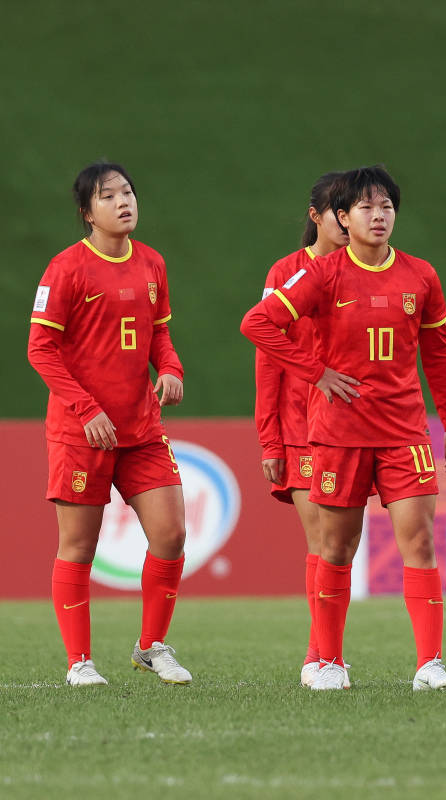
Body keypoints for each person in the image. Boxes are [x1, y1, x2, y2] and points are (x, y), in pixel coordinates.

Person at [241, 165, 446, 692]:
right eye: (366, 207)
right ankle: (328, 662)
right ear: (342, 217)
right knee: (336, 549)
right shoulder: (322, 273)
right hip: (338, 433)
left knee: (421, 542)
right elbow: (258, 323)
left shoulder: (421, 276)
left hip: (405, 431)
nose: (378, 215)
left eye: (386, 206)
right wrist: (315, 372)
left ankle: (430, 664)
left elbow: (438, 350)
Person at [28, 162, 192, 686]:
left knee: (171, 533)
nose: (123, 202)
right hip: (82, 432)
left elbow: (159, 334)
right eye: (108, 196)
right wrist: (86, 408)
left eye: (128, 192)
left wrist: (170, 368)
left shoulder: (152, 263)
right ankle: (79, 662)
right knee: (79, 547)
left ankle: (151, 647)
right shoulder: (66, 268)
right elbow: (40, 349)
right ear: (87, 212)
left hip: (141, 429)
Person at [253, 172, 349, 687]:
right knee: (322, 540)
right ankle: (320, 656)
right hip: (300, 425)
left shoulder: (364, 270)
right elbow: (267, 358)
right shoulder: (287, 272)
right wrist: (270, 439)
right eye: (340, 209)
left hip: (353, 427)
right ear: (316, 216)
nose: (350, 219)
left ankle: (325, 654)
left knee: (340, 544)